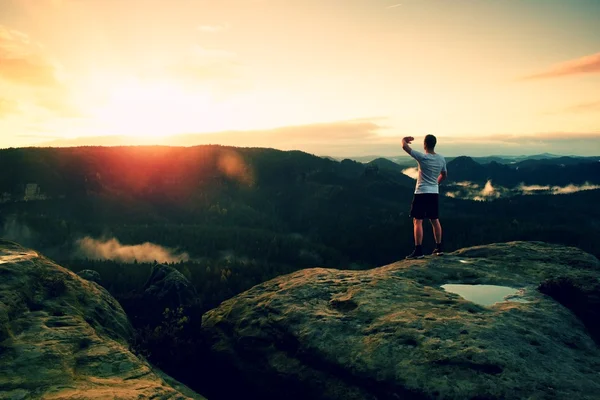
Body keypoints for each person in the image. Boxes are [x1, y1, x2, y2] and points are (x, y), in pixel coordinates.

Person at [402, 134, 447, 259]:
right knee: (435, 220)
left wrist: (404, 140)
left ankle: (418, 251)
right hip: (434, 192)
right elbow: (444, 175)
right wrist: (435, 183)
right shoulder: (441, 159)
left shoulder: (423, 157)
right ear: (434, 144)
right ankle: (439, 247)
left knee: (418, 221)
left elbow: (405, 147)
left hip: (421, 192)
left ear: (425, 144)